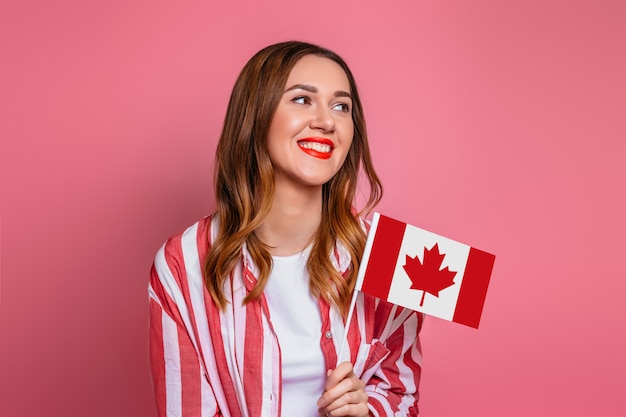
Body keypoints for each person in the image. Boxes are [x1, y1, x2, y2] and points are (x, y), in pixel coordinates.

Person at [149, 41, 422, 417]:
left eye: (341, 106)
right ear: (255, 115)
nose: (327, 121)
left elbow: (401, 395)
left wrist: (369, 410)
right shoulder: (183, 264)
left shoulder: (392, 253)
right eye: (302, 99)